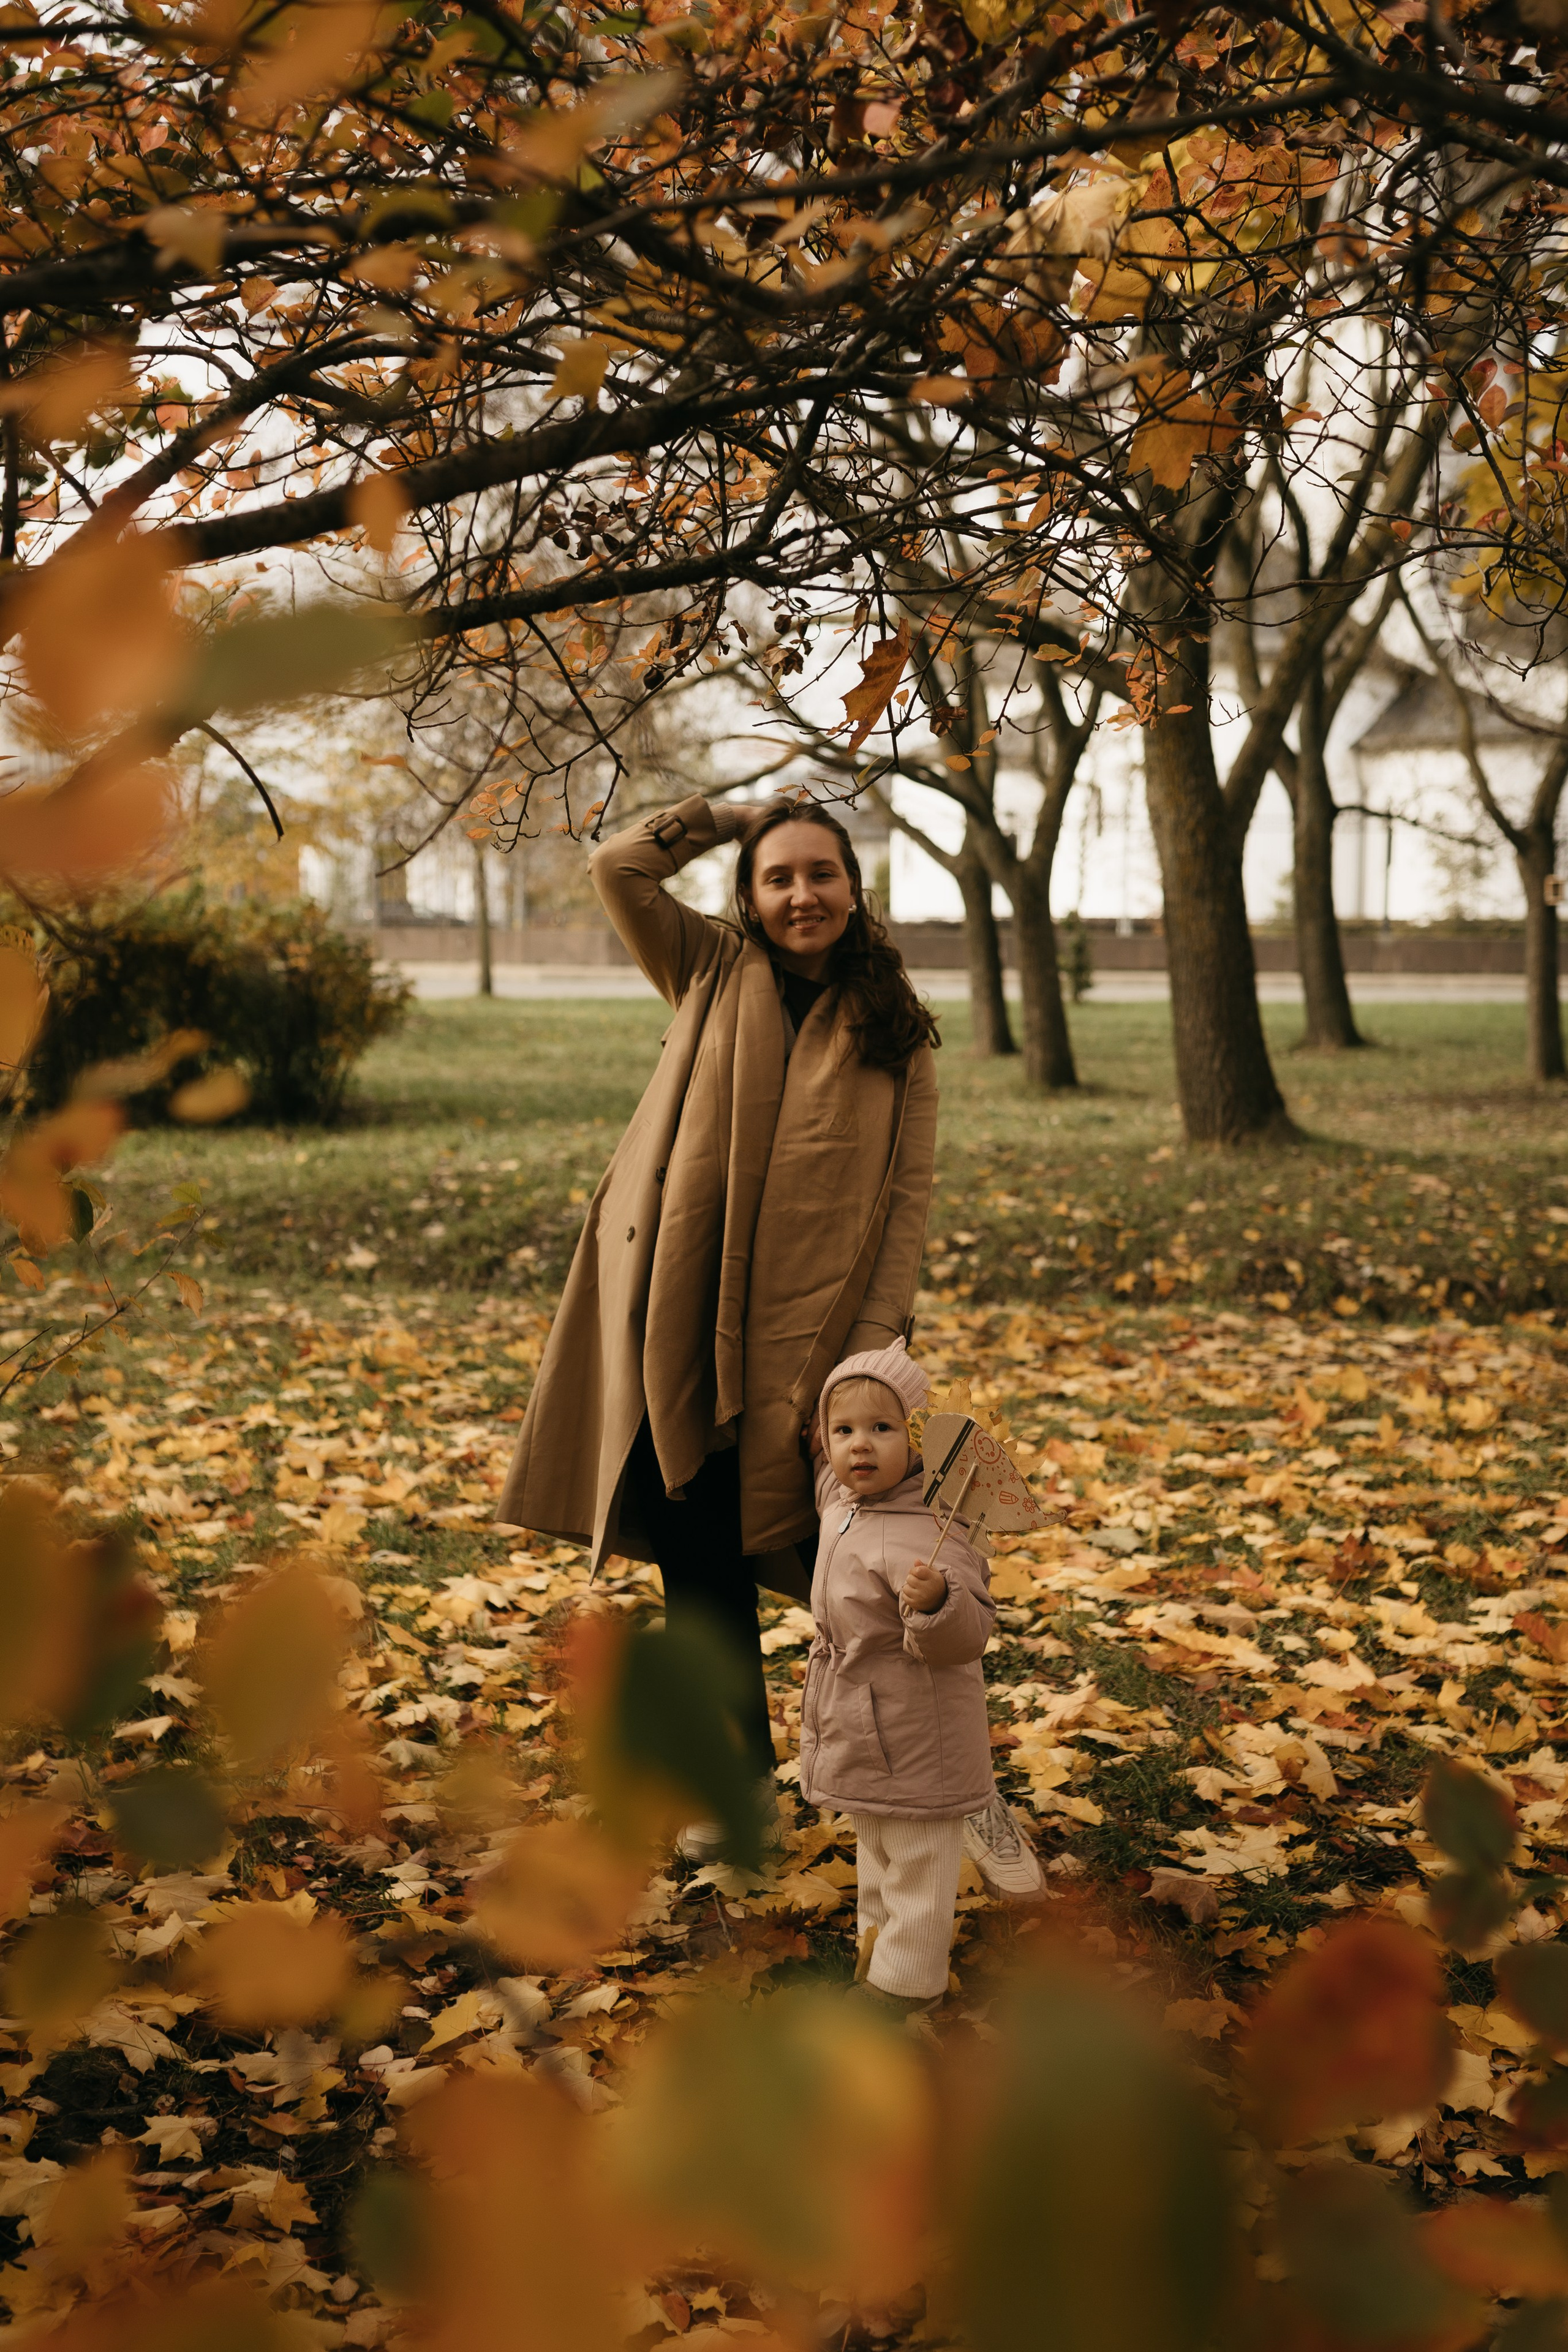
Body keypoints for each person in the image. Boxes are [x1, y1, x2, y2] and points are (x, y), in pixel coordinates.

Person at [495, 789, 1038, 1891]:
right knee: (700, 1562)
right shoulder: (709, 967)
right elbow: (619, 870)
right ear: (747, 896)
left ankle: (932, 1775)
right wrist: (719, 816)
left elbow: (907, 1201)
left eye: (821, 874)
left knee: (857, 1571)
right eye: (778, 877)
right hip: (680, 1316)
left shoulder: (895, 1028)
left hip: (814, 1343)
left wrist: (873, 1347)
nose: (802, 895)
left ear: (854, 888)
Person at [798, 1341, 1008, 2012]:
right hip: (863, 1719)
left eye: (883, 1429)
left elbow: (970, 1631)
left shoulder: (935, 1530)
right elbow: (825, 1465)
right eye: (844, 1431)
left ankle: (908, 1983)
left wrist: (936, 1605)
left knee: (918, 1854)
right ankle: (875, 1954)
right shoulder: (844, 1502)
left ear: (917, 1441)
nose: (860, 1447)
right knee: (878, 1847)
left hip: (921, 1733)